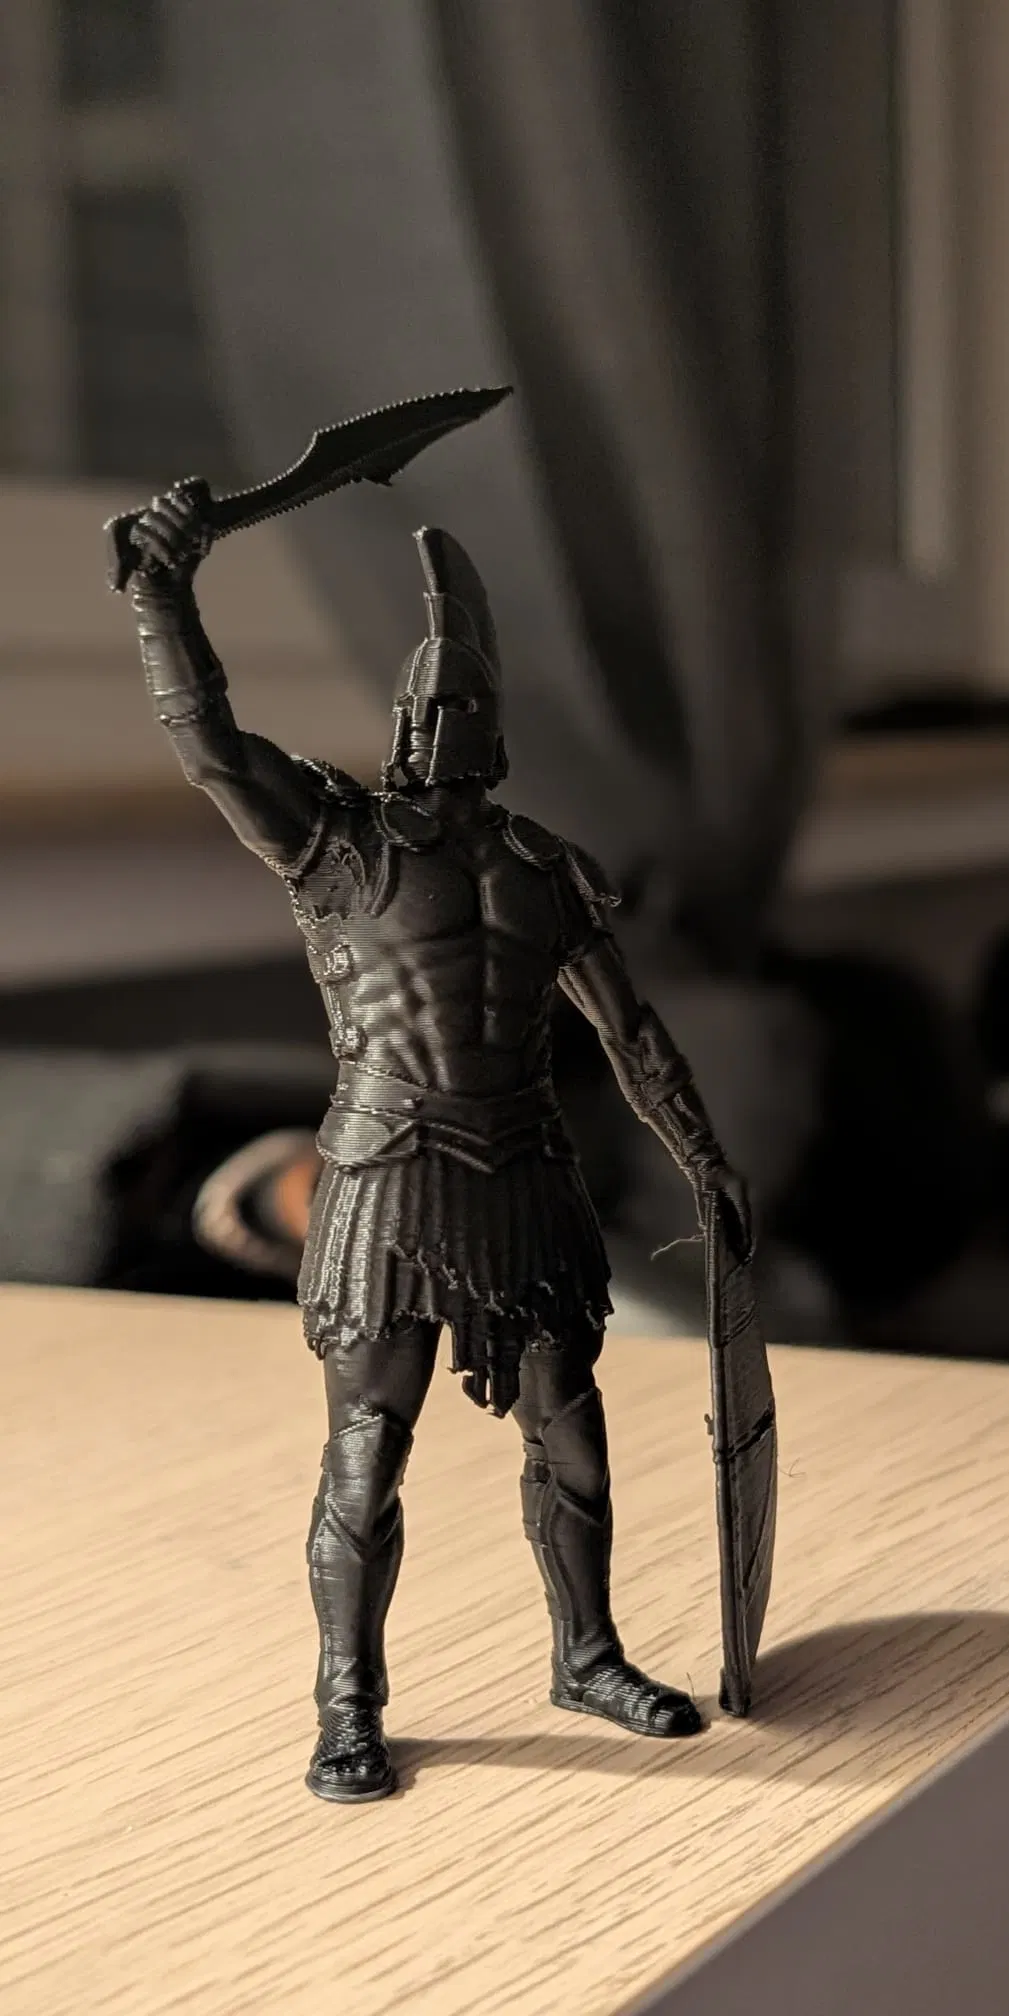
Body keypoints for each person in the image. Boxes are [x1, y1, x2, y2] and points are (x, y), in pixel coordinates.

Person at [125, 485, 752, 1803]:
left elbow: (631, 1034)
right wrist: (162, 596)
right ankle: (347, 1708)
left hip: (525, 1170)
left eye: (459, 705)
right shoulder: (336, 843)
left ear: (489, 726)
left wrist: (704, 1158)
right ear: (402, 723)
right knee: (366, 1454)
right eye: (426, 707)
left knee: (572, 1437)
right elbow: (208, 743)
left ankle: (587, 1657)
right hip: (387, 1179)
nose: (438, 725)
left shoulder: (541, 869)